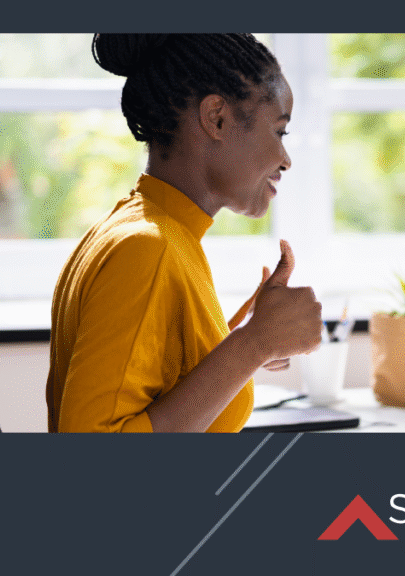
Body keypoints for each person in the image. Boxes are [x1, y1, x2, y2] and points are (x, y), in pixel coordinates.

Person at [47, 34, 323, 433]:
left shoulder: (150, 232)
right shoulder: (146, 249)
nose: (286, 159)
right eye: (279, 132)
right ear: (216, 118)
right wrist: (252, 345)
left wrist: (244, 343)